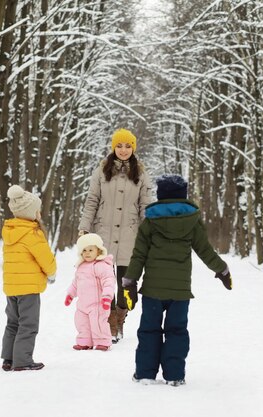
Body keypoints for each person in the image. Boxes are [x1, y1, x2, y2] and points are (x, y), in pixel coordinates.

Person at [121, 174, 232, 386]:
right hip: (180, 292)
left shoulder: (150, 222)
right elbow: (205, 251)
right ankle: (174, 376)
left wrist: (130, 282)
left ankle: (145, 373)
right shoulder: (192, 221)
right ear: (183, 195)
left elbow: (139, 255)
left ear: (161, 196)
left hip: (153, 290)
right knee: (177, 331)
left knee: (149, 330)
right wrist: (222, 270)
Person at [78, 128, 153, 343]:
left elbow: (145, 204)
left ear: (133, 148)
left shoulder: (140, 172)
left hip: (130, 234)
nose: (123, 149)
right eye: (119, 145)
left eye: (127, 145)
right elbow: (92, 200)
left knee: (127, 283)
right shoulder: (102, 170)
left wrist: (148, 231)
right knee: (105, 282)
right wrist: (84, 226)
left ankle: (121, 316)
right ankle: (110, 322)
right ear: (113, 147)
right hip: (103, 234)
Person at [0, 184, 57, 371]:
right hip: (29, 289)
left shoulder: (10, 231)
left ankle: (9, 359)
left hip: (12, 288)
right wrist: (52, 272)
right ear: (30, 212)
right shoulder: (32, 233)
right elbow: (45, 257)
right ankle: (23, 361)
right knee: (28, 324)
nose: (39, 214)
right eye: (37, 210)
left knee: (13, 323)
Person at [64, 233, 116, 351]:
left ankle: (102, 341)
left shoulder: (101, 265)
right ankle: (85, 341)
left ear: (98, 251)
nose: (87, 253)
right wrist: (70, 294)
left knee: (98, 323)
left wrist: (107, 297)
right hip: (83, 304)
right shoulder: (81, 266)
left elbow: (109, 281)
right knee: (82, 323)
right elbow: (75, 283)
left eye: (91, 250)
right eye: (84, 250)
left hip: (98, 304)